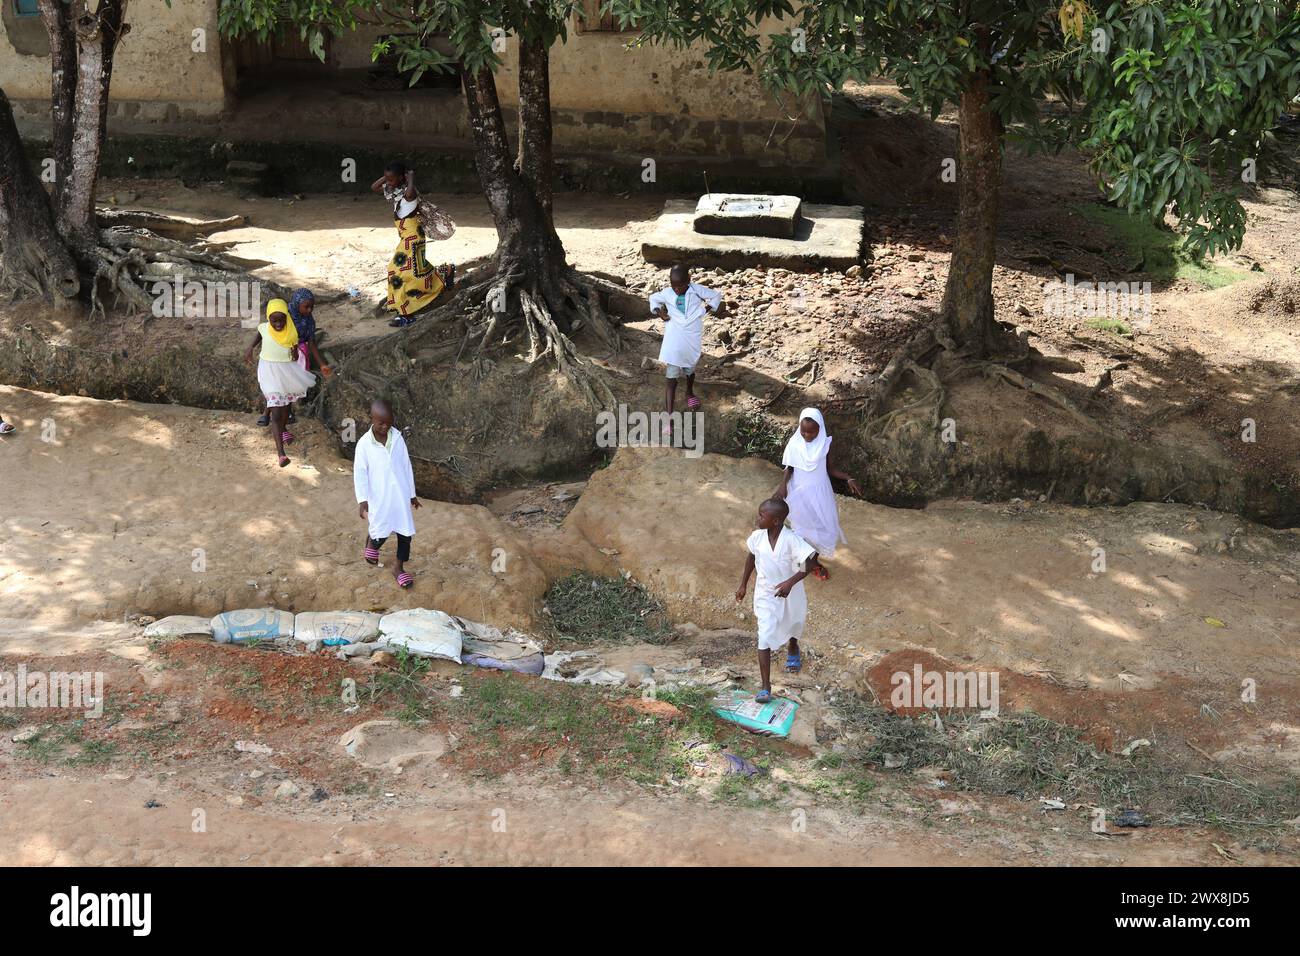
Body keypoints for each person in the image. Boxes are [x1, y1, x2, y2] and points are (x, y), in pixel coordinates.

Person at [736, 497, 818, 695]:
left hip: (791, 591)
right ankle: (765, 687)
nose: (758, 518)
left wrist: (791, 582)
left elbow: (812, 559)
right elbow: (751, 557)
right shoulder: (757, 537)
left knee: (794, 623)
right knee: (764, 634)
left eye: (762, 515)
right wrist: (743, 584)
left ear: (776, 520)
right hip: (765, 592)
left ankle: (792, 646)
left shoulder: (791, 539)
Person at [775, 408, 861, 581]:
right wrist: (782, 486)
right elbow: (789, 467)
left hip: (821, 494)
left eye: (812, 431)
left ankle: (810, 562)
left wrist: (848, 478)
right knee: (802, 529)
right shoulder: (794, 444)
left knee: (822, 529)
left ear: (820, 428)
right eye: (804, 430)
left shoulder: (825, 444)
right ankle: (805, 565)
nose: (807, 435)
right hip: (799, 492)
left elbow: (831, 469)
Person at [370, 162, 456, 327]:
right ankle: (445, 271)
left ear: (402, 178)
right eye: (386, 179)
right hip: (407, 237)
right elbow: (374, 187)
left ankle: (405, 314)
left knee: (396, 271)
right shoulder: (394, 190)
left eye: (391, 179)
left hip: (413, 238)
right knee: (417, 270)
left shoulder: (410, 192)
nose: (387, 182)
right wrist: (389, 177)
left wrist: (410, 179)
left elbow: (410, 194)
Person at [354, 399, 421, 589]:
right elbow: (360, 473)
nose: (385, 427)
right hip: (380, 496)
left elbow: (406, 467)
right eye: (381, 423)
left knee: (405, 534)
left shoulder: (398, 438)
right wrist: (362, 500)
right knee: (380, 529)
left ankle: (398, 568)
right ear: (372, 419)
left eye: (389, 423)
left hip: (400, 495)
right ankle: (372, 545)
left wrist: (412, 494)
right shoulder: (364, 444)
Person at [245, 298, 317, 467]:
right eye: (274, 320)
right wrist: (250, 348)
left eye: (281, 320)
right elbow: (259, 335)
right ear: (268, 318)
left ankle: (283, 429)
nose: (278, 324)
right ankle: (281, 454)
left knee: (285, 410)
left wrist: (294, 354)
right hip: (268, 373)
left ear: (287, 317)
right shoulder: (264, 328)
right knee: (276, 412)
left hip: (286, 373)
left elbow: (294, 354)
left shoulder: (291, 332)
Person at [648, 265, 720, 432]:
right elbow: (653, 299)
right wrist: (660, 313)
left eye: (680, 285)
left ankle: (689, 392)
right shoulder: (667, 292)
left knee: (689, 369)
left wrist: (704, 310)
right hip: (674, 337)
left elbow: (716, 295)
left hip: (691, 337)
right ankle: (669, 418)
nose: (677, 289)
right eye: (674, 285)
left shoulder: (696, 290)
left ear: (688, 281)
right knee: (671, 377)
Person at [257, 288, 329, 427]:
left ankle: (287, 413)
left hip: (297, 355)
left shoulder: (309, 321)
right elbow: (269, 330)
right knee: (275, 385)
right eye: (306, 306)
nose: (309, 310)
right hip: (279, 353)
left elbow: (311, 342)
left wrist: (322, 364)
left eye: (312, 307)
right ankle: (267, 413)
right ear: (297, 304)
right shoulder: (284, 315)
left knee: (289, 384)